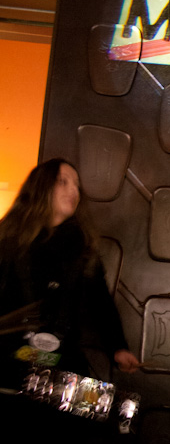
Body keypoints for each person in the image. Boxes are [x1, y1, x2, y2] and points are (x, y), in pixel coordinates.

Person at [0, 157, 139, 385]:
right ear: (41, 187)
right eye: (62, 181)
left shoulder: (81, 248)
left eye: (76, 185)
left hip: (62, 366)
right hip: (7, 365)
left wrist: (118, 347)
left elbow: (100, 302)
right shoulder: (7, 240)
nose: (73, 190)